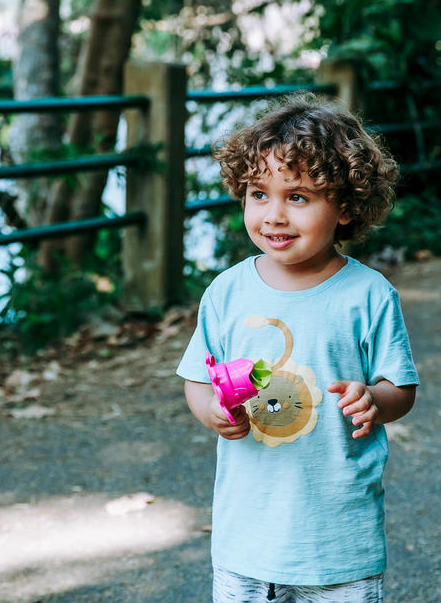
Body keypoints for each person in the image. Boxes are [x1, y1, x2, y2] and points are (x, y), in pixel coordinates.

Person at [177, 95, 419, 603]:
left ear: (346, 206)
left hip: (338, 543)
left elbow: (401, 387)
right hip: (246, 540)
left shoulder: (369, 295)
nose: (274, 215)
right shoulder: (227, 291)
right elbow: (198, 378)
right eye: (259, 193)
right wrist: (212, 412)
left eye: (299, 197)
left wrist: (374, 399)